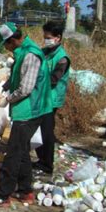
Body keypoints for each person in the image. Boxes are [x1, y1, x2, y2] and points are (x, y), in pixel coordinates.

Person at [0, 22, 52, 208]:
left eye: (6, 44)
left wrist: (8, 99)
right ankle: (25, 190)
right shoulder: (21, 53)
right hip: (26, 108)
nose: (5, 48)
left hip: (31, 110)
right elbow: (14, 78)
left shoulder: (30, 55)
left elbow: (26, 88)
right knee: (22, 150)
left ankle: (3, 194)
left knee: (13, 152)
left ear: (12, 40)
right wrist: (2, 89)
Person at [33, 21, 70, 174]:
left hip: (51, 99)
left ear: (58, 38)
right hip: (41, 96)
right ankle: (41, 160)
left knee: (46, 131)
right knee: (40, 129)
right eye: (45, 37)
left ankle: (47, 165)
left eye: (49, 37)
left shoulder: (62, 59)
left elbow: (53, 79)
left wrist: (33, 83)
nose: (46, 40)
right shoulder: (44, 52)